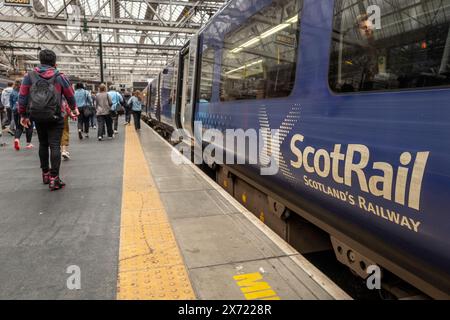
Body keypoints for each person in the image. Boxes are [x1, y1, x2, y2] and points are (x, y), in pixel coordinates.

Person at [18, 49, 79, 191]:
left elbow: (23, 96)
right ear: (55, 62)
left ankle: (45, 174)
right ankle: (54, 179)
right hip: (56, 116)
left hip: (38, 116)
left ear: (40, 61)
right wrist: (74, 108)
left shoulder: (30, 76)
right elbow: (70, 94)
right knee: (55, 145)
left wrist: (23, 115)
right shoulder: (60, 76)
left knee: (43, 144)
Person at [11, 80, 34, 150]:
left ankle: (17, 139)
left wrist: (13, 108)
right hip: (25, 110)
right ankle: (28, 143)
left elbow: (11, 102)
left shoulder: (13, 92)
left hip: (15, 110)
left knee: (19, 127)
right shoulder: (26, 91)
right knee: (29, 126)